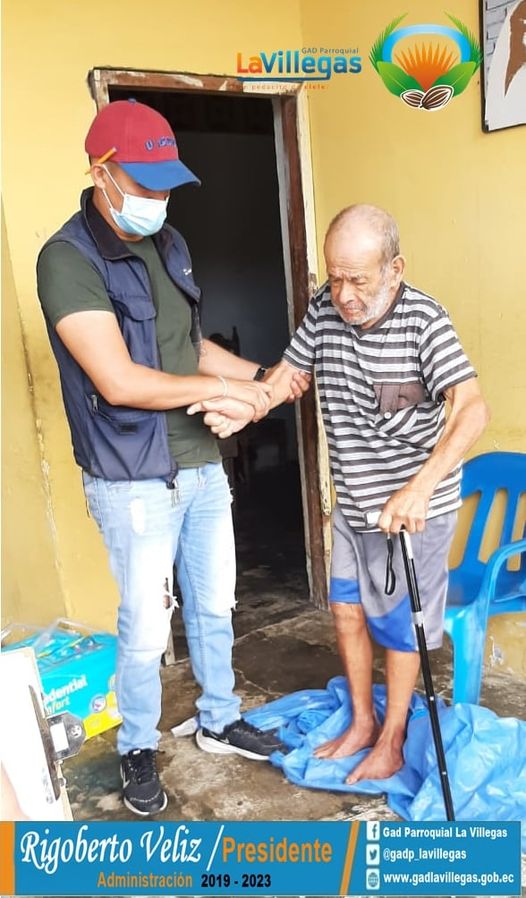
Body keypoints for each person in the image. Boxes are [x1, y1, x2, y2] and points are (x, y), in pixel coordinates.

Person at [36, 99, 308, 816]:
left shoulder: (170, 243)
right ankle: (137, 746)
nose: (159, 198)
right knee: (147, 627)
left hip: (200, 462)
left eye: (166, 184)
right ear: (100, 173)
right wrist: (233, 394)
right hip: (131, 475)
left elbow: (191, 349)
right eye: (145, 183)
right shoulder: (67, 260)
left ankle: (219, 718)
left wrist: (265, 379)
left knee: (215, 605)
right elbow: (119, 381)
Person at [191, 203, 489, 784]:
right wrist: (248, 406)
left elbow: (473, 409)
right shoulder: (325, 308)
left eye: (359, 279)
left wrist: (420, 488)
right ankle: (361, 723)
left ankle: (393, 739)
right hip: (354, 501)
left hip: (413, 511)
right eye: (335, 278)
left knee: (400, 627)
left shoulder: (425, 322)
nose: (344, 295)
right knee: (347, 611)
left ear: (395, 269)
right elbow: (286, 376)